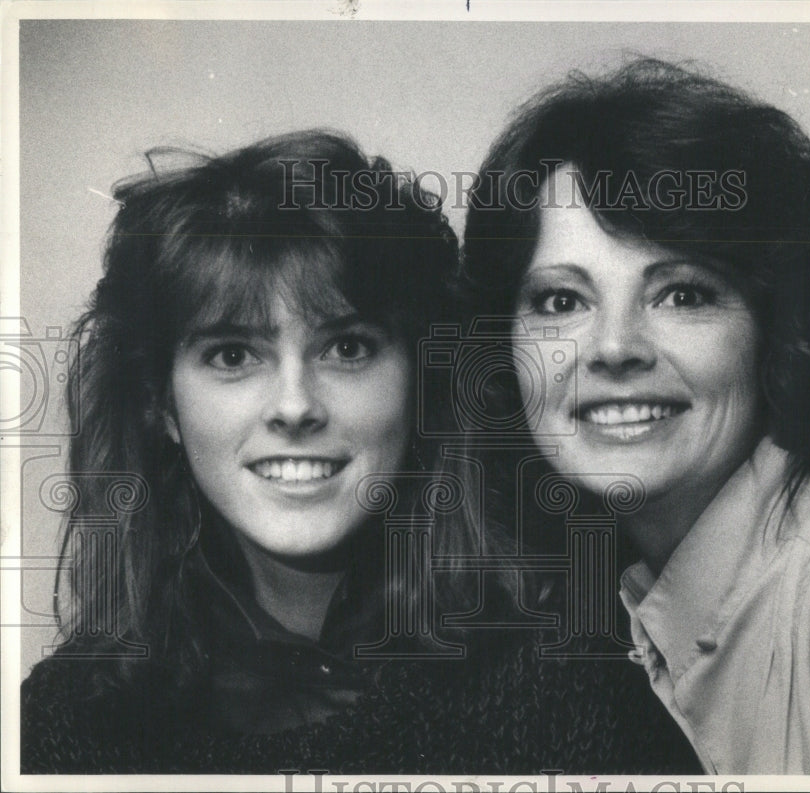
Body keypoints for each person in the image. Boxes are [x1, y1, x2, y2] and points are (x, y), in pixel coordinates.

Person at [21, 129, 701, 774]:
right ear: (160, 404)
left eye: (347, 347)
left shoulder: (575, 675)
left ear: (420, 380)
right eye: (232, 354)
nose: (294, 405)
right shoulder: (63, 726)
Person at [461, 59, 810, 775]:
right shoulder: (616, 619)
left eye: (681, 294)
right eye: (560, 301)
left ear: (778, 327)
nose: (613, 348)